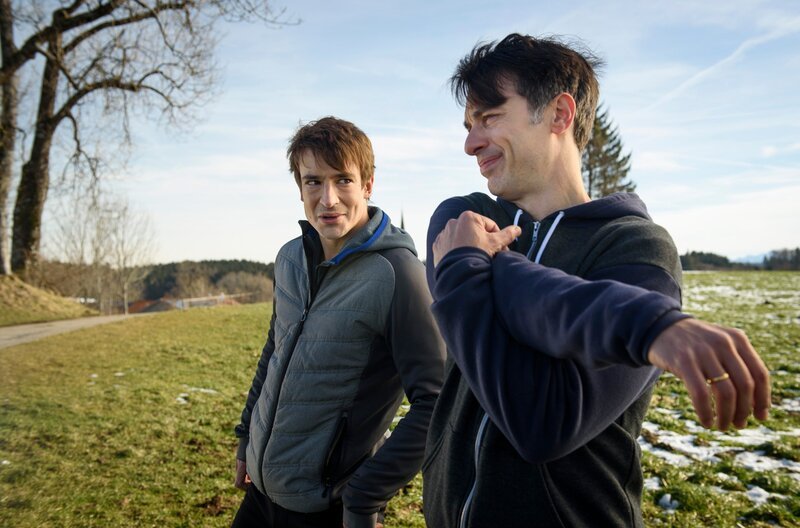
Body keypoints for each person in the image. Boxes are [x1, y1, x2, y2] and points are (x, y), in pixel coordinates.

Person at [422, 34, 771, 527]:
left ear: (559, 115)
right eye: (468, 125)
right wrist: (642, 323)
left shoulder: (639, 250)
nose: (470, 143)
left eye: (490, 117)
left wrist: (472, 266)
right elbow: (521, 294)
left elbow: (543, 422)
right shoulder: (462, 217)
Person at [232, 116, 445, 528]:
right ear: (299, 188)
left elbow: (435, 403)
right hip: (260, 494)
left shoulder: (398, 274)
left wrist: (367, 496)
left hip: (328, 508)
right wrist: (246, 438)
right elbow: (274, 351)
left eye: (342, 180)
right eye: (313, 182)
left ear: (367, 184)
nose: (328, 198)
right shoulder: (290, 258)